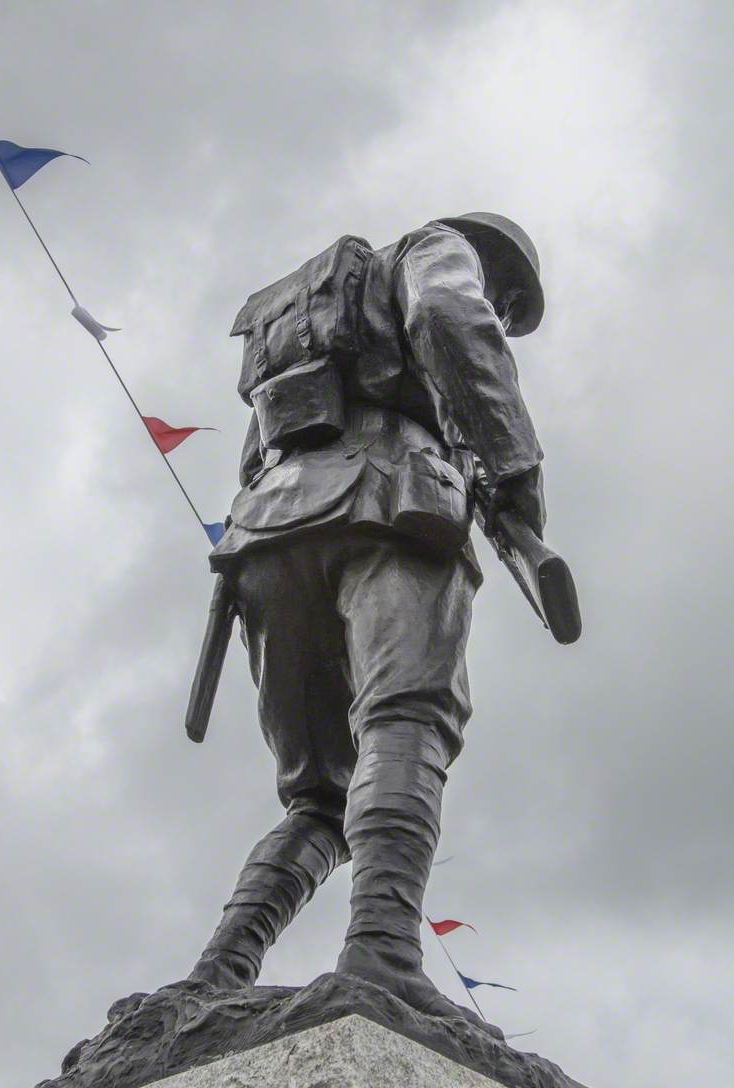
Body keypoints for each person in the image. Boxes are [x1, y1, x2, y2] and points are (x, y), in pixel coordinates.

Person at [189, 213, 546, 1021]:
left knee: (317, 797)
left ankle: (219, 971)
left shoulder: (313, 310)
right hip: (395, 504)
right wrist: (513, 464)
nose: (506, 318)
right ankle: (383, 953)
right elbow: (448, 316)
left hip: (270, 530)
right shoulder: (436, 255)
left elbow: (262, 441)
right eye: (512, 309)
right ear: (505, 279)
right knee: (405, 724)